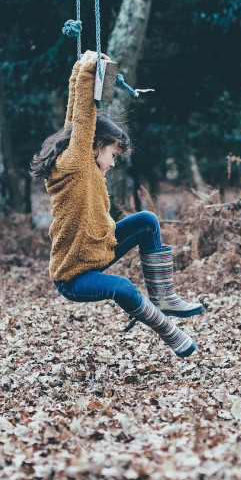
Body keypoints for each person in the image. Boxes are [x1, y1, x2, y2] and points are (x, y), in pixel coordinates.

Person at [31, 51, 203, 358]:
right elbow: (84, 116)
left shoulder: (80, 161)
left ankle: (164, 296)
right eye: (112, 155)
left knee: (147, 221)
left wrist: (78, 68)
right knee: (122, 286)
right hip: (74, 276)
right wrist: (89, 69)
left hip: (99, 249)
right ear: (95, 147)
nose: (113, 163)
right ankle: (167, 330)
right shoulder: (75, 164)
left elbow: (74, 118)